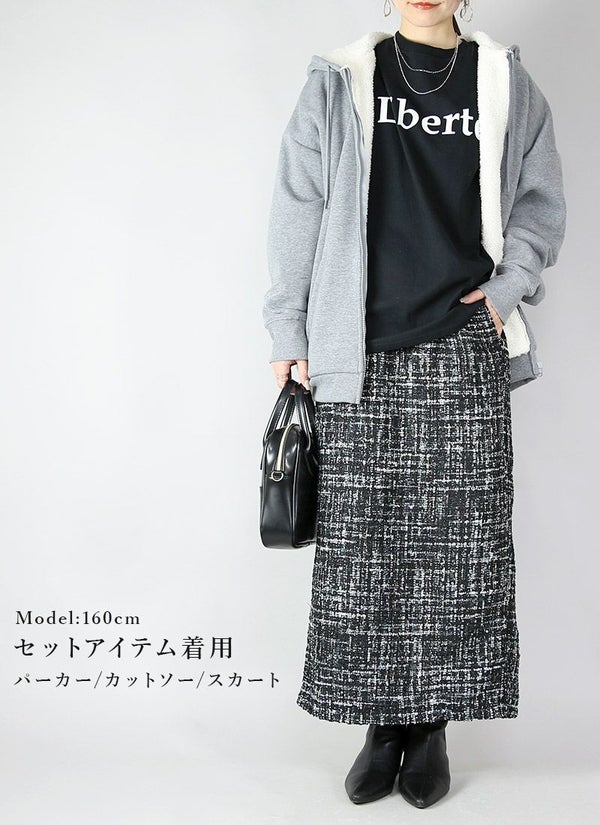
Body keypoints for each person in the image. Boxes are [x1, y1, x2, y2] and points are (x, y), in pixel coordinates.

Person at [262, 0, 566, 811]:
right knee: (365, 549)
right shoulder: (338, 80)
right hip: (354, 346)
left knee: (457, 547)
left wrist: (506, 291)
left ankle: (430, 728)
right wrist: (288, 324)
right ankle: (381, 726)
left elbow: (540, 201)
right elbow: (299, 202)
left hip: (461, 338)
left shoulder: (504, 81)